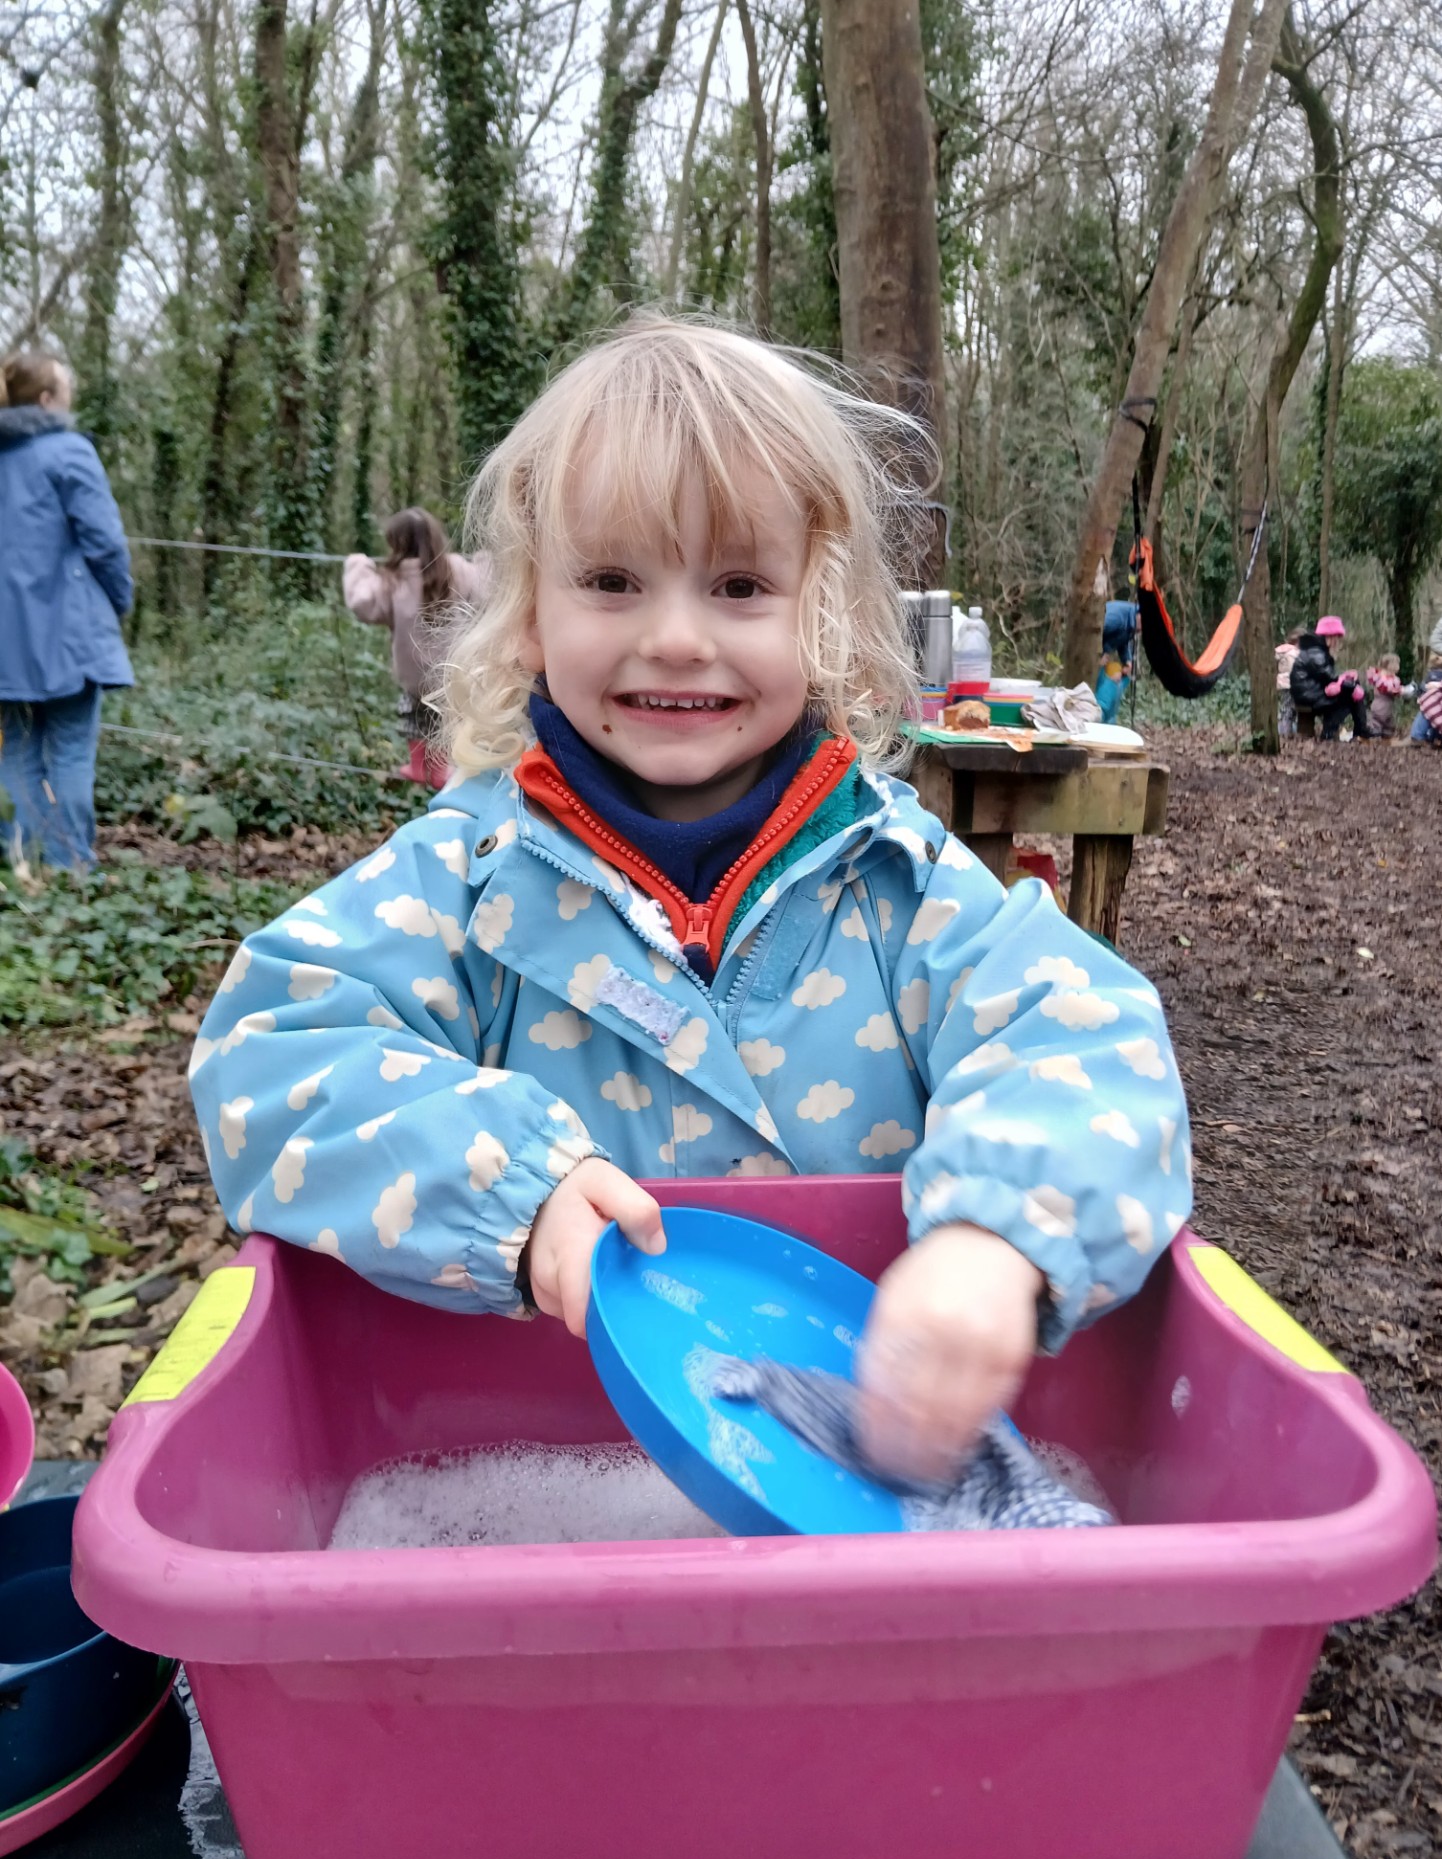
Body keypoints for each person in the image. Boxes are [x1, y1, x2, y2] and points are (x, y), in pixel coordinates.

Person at [190, 317, 1192, 1485]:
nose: (674, 638)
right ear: (529, 614)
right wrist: (517, 1191)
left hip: (857, 1487)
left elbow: (1089, 1038)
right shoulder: (462, 881)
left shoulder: (899, 882)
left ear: (817, 613)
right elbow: (266, 1051)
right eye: (612, 582)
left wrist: (993, 1236)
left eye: (739, 586)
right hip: (556, 1477)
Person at [0, 352, 133, 872]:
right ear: (46, 400)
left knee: (16, 754)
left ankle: (24, 864)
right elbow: (105, 543)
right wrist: (117, 601)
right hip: (69, 633)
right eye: (66, 385)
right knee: (72, 752)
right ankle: (70, 867)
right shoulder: (69, 452)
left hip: (6, 643)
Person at [343, 510, 490, 790]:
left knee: (415, 717)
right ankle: (443, 770)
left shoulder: (393, 580)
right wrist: (484, 560)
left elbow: (363, 602)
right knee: (446, 719)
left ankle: (420, 767)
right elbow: (486, 588)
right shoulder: (456, 568)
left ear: (396, 543)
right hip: (452, 671)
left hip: (414, 675)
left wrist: (357, 564)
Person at [1290, 618, 1366, 741]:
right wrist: (1351, 684)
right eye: (1337, 638)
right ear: (1331, 637)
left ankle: (1361, 731)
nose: (1338, 642)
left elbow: (1327, 676)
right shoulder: (1316, 651)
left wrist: (1348, 679)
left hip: (1311, 692)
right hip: (1308, 696)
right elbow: (1329, 677)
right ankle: (1329, 734)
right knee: (1348, 698)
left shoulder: (1315, 648)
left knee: (1351, 687)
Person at [1410, 633, 1442, 746]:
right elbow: (1425, 686)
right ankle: (1419, 736)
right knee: (1430, 706)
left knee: (1431, 707)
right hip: (1433, 698)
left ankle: (1428, 736)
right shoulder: (1432, 674)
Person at [1364, 654, 1405, 739]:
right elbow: (1387, 689)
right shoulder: (1381, 678)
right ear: (1389, 665)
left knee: (1388, 724)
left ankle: (1386, 738)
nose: (1398, 666)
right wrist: (1400, 691)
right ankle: (1373, 736)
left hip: (1388, 706)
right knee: (1377, 723)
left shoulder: (1393, 677)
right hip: (1380, 705)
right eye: (1396, 663)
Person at [1275, 632, 1303, 738]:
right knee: (1290, 710)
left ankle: (1283, 731)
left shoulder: (1283, 652)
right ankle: (1287, 732)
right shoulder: (1295, 653)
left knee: (1285, 707)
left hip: (1283, 684)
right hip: (1291, 684)